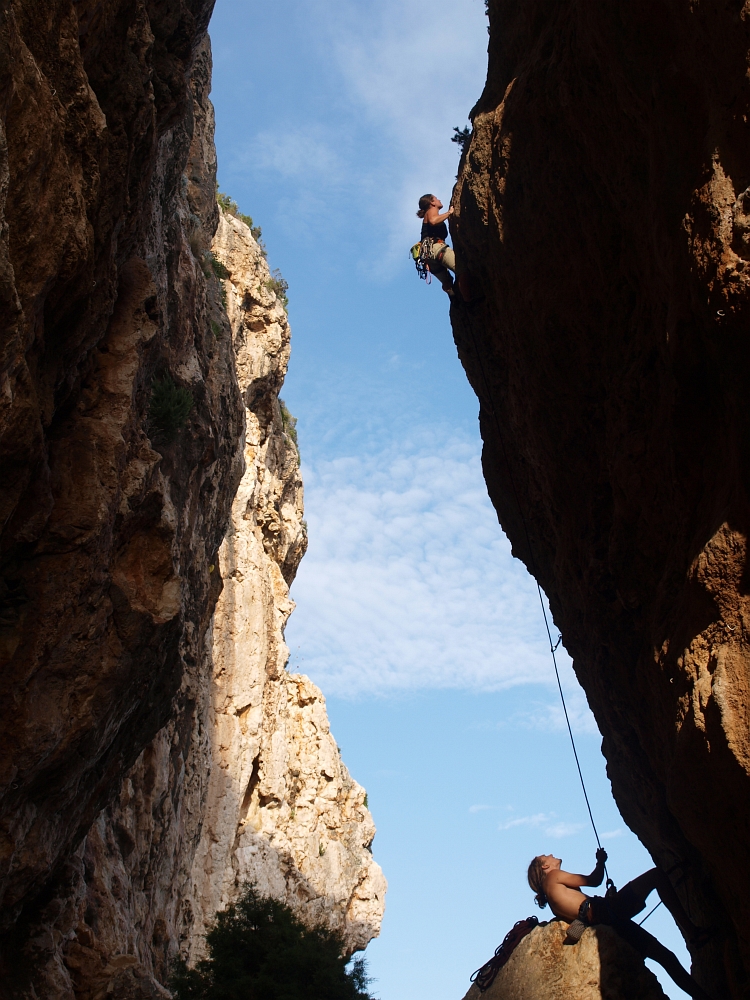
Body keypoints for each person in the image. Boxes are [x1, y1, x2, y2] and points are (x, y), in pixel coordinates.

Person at [527, 850, 716, 1000]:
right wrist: (600, 861)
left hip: (609, 922)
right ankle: (692, 932)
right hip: (609, 912)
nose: (551, 854)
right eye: (546, 856)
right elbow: (594, 880)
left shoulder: (553, 902)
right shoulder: (553, 877)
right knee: (656, 876)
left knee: (666, 957)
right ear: (545, 866)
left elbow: (583, 914)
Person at [416, 194, 457, 297]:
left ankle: (457, 301)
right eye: (436, 199)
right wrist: (449, 213)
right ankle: (469, 300)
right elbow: (433, 221)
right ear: (432, 203)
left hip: (428, 256)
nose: (439, 200)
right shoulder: (431, 210)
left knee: (447, 283)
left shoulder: (427, 214)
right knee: (461, 269)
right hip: (436, 248)